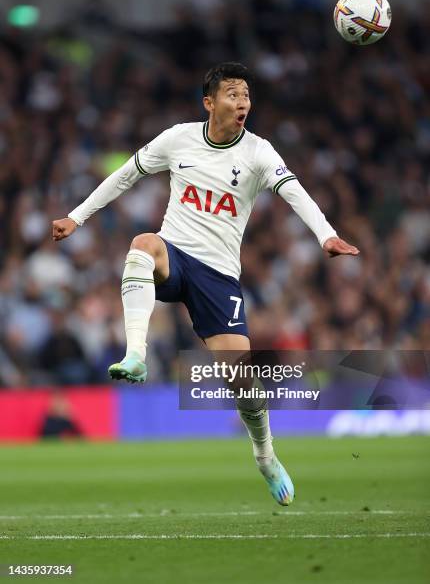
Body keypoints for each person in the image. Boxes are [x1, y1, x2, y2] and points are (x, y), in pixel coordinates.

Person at [52, 62, 359, 506]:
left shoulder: (258, 152)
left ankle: (265, 455)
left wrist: (325, 234)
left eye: (248, 96)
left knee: (244, 384)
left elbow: (295, 192)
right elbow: (126, 175)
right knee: (142, 243)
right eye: (234, 94)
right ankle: (135, 354)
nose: (243, 103)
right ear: (209, 102)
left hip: (218, 277)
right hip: (175, 256)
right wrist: (76, 217)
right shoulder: (178, 138)